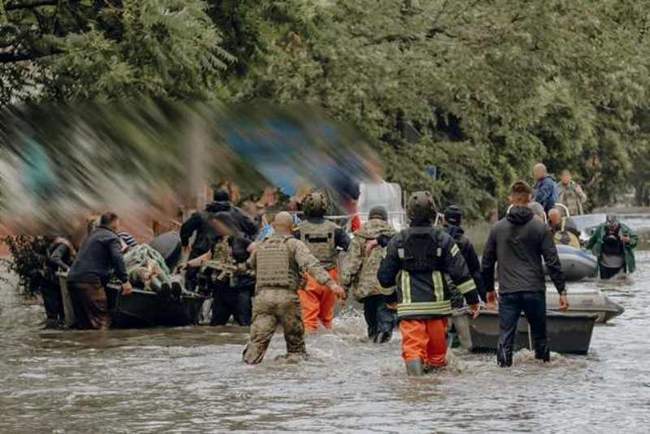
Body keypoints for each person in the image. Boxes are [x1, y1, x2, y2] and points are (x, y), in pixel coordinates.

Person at [377, 191, 481, 376]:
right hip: (437, 309)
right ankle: (434, 393)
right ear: (433, 213)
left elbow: (385, 275)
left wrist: (390, 299)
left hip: (410, 309)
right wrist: (473, 300)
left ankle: (416, 388)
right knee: (437, 355)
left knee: (413, 349)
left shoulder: (397, 241)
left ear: (409, 213)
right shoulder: (444, 240)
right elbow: (461, 273)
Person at [481, 181, 568, 367]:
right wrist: (562, 291)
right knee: (540, 338)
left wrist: (488, 290)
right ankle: (541, 373)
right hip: (534, 291)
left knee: (505, 338)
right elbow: (553, 262)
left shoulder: (498, 228)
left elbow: (487, 263)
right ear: (530, 199)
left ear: (510, 199)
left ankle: (504, 372)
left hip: (509, 292)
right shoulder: (540, 228)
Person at [243, 212, 345, 364]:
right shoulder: (294, 244)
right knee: (295, 350)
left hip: (263, 300)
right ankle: (293, 382)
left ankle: (247, 373)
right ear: (292, 227)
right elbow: (311, 265)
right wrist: (332, 284)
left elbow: (247, 267)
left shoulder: (261, 246)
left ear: (273, 226)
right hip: (287, 300)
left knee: (256, 345)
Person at [295, 191, 350, 332]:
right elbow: (351, 247)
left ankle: (312, 349)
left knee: (308, 319)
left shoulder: (298, 230)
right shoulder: (336, 229)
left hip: (307, 277)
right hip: (330, 277)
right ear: (325, 208)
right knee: (326, 318)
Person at [186, 212, 254, 326]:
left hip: (239, 289)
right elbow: (207, 257)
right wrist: (188, 264)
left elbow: (256, 250)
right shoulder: (216, 242)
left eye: (218, 225)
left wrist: (245, 265)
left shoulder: (241, 239)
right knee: (217, 324)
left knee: (244, 323)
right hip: (220, 289)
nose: (215, 228)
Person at [67, 212, 133, 330]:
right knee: (100, 322)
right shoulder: (112, 237)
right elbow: (117, 258)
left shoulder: (91, 236)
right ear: (114, 224)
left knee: (84, 325)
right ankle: (102, 347)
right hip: (89, 282)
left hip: (72, 280)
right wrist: (125, 281)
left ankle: (83, 347)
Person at [340, 206, 397, 343]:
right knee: (385, 321)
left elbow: (351, 264)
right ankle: (384, 340)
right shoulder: (394, 235)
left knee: (371, 324)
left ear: (370, 217)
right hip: (387, 287)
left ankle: (373, 344)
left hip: (366, 288)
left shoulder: (359, 235)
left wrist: (344, 288)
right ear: (385, 218)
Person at [443, 205, 485, 301]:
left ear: (444, 220)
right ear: (460, 221)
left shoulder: (437, 240)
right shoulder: (465, 242)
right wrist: (483, 298)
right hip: (460, 294)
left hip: (439, 294)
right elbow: (475, 273)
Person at [586, 215, 638, 279]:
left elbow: (635, 239)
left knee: (621, 285)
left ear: (617, 224)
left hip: (620, 264)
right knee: (604, 284)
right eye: (609, 227)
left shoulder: (624, 228)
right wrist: (586, 249)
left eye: (613, 227)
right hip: (604, 264)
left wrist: (628, 240)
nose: (611, 229)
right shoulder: (600, 228)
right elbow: (591, 241)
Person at [43, 236, 76, 328]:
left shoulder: (62, 243)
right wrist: (68, 268)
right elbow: (54, 258)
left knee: (56, 311)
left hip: (50, 280)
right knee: (54, 312)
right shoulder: (64, 245)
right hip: (51, 281)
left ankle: (56, 335)